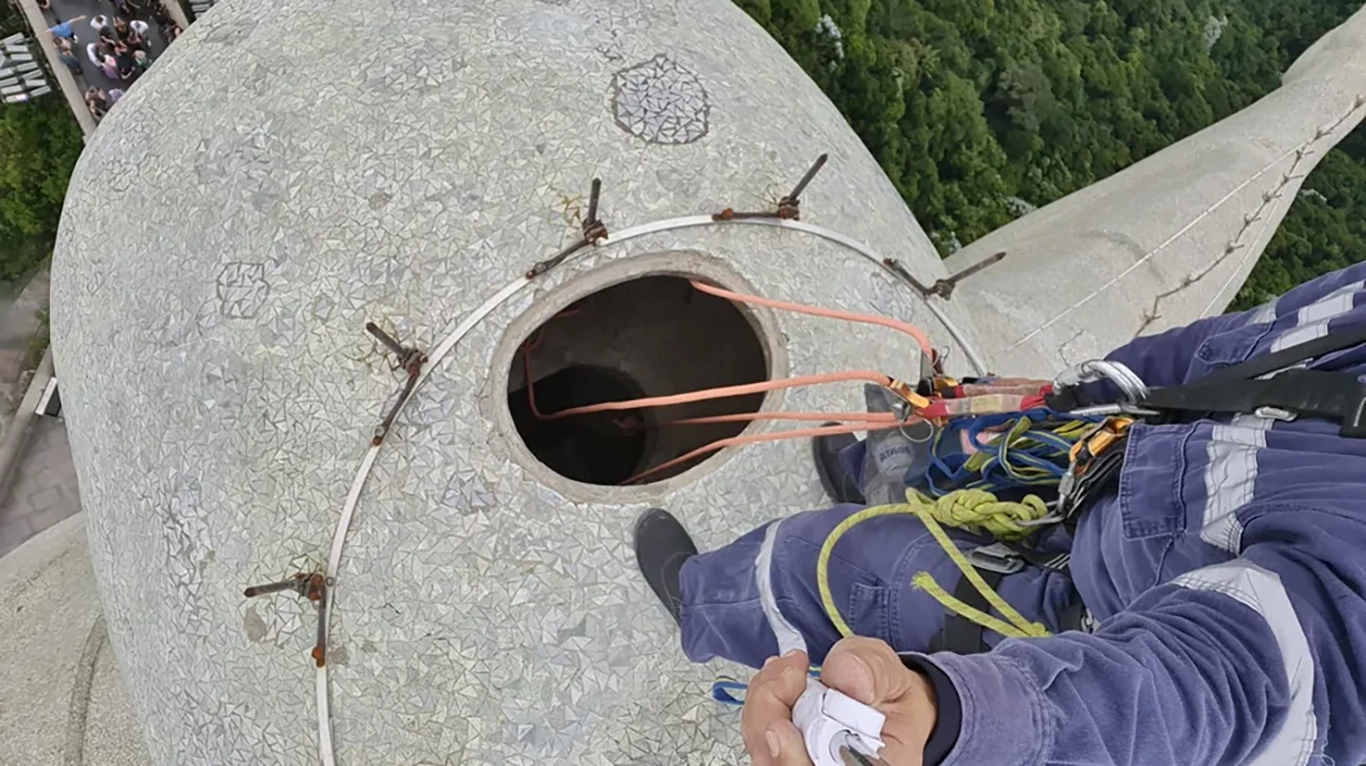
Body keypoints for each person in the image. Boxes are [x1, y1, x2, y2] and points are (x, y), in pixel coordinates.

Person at [634, 262, 1366, 766]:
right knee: (931, 451)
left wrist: (961, 719)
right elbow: (1227, 348)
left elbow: (1219, 688)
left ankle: (705, 602)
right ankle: (868, 473)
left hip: (1090, 620)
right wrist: (1083, 395)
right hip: (1111, 466)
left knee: (828, 565)